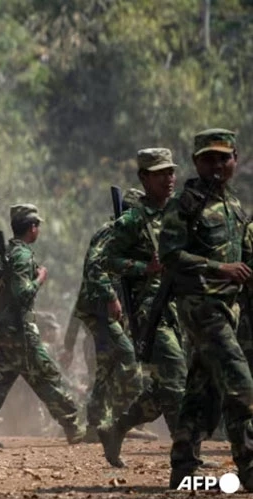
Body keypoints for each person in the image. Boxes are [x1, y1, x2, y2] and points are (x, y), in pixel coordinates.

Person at [152, 129, 253, 489]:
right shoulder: (185, 205)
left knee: (203, 389)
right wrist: (218, 267)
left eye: (223, 158)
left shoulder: (235, 206)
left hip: (230, 308)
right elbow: (170, 255)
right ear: (196, 162)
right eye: (208, 159)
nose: (217, 165)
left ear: (235, 160)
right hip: (201, 307)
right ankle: (250, 467)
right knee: (240, 385)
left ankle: (182, 466)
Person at [0, 204, 85, 447]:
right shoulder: (22, 256)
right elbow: (22, 295)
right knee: (47, 376)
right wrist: (40, 279)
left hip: (3, 330)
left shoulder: (4, 256)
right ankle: (73, 425)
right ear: (32, 228)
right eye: (37, 225)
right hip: (20, 331)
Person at [97, 148, 186, 466]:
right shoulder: (132, 221)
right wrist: (144, 268)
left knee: (166, 386)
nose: (169, 178)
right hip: (150, 311)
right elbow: (108, 260)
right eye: (161, 173)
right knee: (175, 377)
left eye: (171, 172)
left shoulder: (178, 214)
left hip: (178, 310)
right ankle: (186, 454)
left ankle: (116, 428)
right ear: (144, 178)